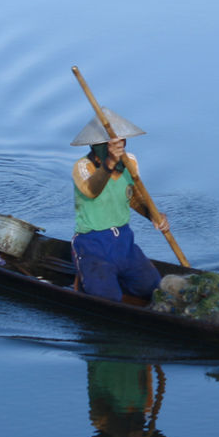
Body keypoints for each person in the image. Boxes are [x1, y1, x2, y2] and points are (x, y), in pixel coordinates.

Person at [70, 108, 170, 302]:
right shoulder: (82, 167)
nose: (120, 147)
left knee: (152, 289)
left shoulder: (129, 162)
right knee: (106, 298)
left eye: (121, 142)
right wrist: (109, 163)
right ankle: (85, 280)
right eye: (112, 144)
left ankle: (116, 278)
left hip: (123, 242)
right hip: (92, 244)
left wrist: (154, 215)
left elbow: (133, 197)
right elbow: (92, 190)